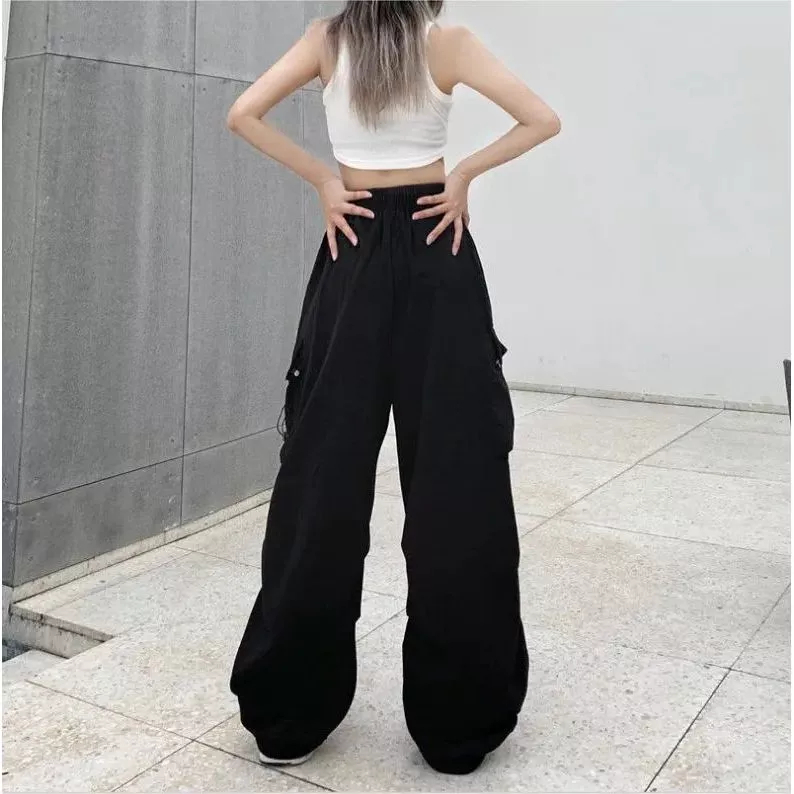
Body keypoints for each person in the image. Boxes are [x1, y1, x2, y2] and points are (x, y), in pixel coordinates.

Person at [226, 0, 561, 776]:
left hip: (354, 250)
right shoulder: (448, 42)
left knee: (321, 477)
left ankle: (287, 714)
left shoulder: (325, 40)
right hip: (437, 247)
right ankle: (459, 724)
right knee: (458, 480)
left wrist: (324, 179)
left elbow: (243, 113)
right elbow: (541, 119)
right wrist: (464, 173)